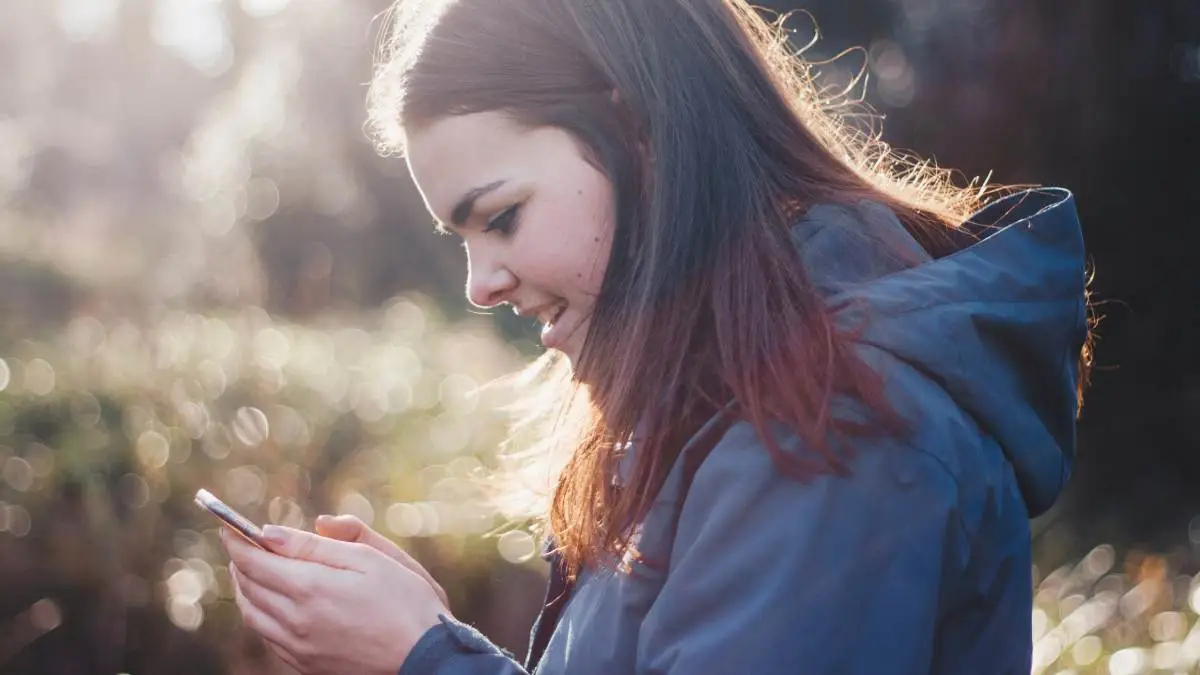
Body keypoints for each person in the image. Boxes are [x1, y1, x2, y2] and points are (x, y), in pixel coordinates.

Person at [219, 0, 1094, 673]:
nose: (480, 284)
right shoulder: (729, 397)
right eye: (464, 240)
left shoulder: (834, 425)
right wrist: (427, 637)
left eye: (501, 217)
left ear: (636, 130)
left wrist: (421, 656)